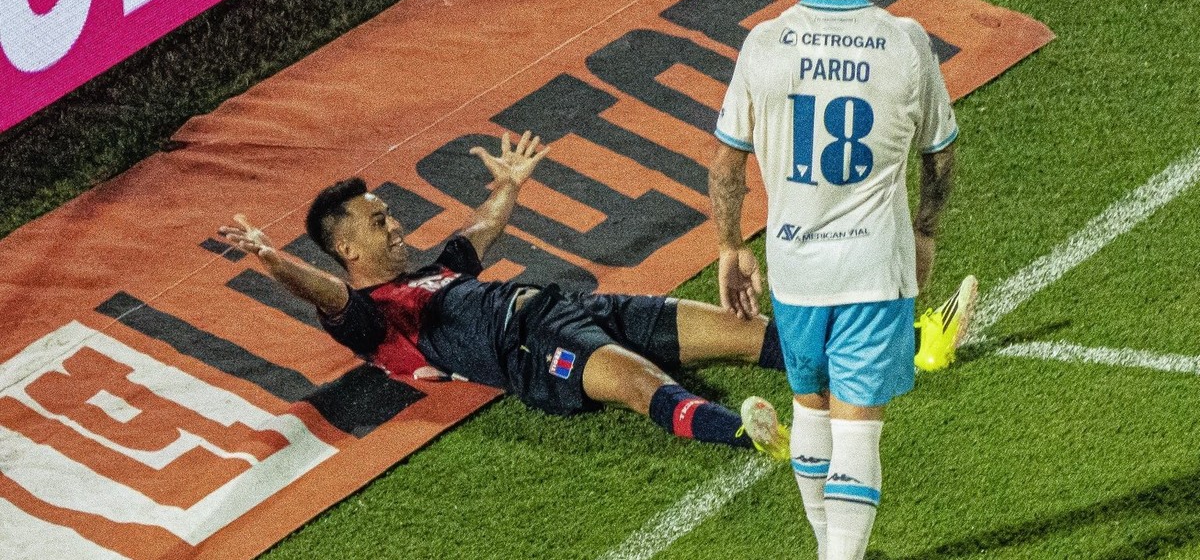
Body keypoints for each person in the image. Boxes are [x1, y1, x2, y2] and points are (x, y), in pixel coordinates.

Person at [219, 131, 792, 458]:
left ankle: (838, 364)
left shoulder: (433, 273)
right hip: (532, 348)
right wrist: (272, 258)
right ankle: (752, 435)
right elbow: (327, 293)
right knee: (643, 384)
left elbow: (480, 230)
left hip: (574, 307)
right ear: (346, 247)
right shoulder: (373, 320)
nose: (395, 224)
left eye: (388, 214)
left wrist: (510, 186)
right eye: (379, 221)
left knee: (744, 331)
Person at [707, 0, 975, 557]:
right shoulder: (905, 42)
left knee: (811, 408)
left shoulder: (764, 43)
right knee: (857, 431)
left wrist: (728, 245)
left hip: (796, 268)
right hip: (872, 268)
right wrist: (925, 231)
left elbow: (725, 166)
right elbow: (939, 155)